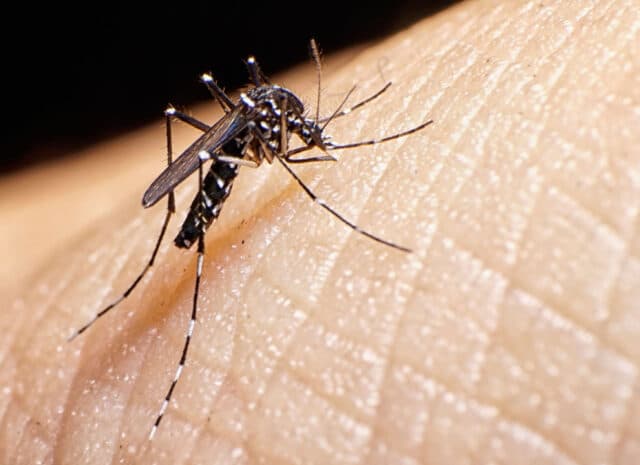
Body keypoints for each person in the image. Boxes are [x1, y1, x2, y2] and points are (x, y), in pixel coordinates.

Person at [2, 1, 639, 463]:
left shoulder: (283, 111)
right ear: (292, 121)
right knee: (197, 120)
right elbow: (259, 144)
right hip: (214, 168)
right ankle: (174, 244)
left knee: (211, 111)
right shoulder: (266, 118)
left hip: (239, 136)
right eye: (307, 132)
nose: (309, 140)